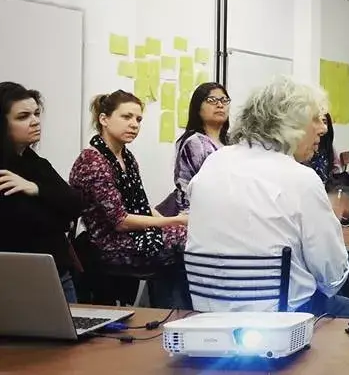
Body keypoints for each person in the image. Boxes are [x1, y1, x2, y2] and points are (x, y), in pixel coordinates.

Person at [185, 76, 349, 320]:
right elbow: (332, 277)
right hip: (284, 319)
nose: (322, 128)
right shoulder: (301, 178)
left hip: (208, 316)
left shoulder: (213, 163)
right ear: (291, 123)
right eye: (316, 119)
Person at [70, 90, 189, 306]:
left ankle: (174, 311)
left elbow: (141, 204)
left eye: (138, 119)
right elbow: (121, 221)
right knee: (183, 239)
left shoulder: (126, 157)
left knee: (189, 235)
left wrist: (168, 221)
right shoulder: (93, 161)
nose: (134, 124)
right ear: (104, 119)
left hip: (129, 235)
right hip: (105, 243)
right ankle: (172, 313)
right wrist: (173, 221)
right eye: (126, 117)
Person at [0, 82, 85, 302]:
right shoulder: (4, 171)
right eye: (23, 116)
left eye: (36, 113)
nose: (35, 121)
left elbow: (76, 204)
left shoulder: (37, 163)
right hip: (18, 278)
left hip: (57, 272)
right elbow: (24, 223)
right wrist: (57, 214)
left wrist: (35, 189)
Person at [157, 82, 230, 215]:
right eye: (212, 100)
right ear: (198, 108)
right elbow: (185, 187)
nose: (220, 105)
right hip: (199, 214)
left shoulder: (233, 142)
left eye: (224, 100)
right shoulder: (194, 143)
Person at [306, 113, 341, 183]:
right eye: (318, 122)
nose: (323, 127)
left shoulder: (328, 144)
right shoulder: (304, 144)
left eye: (325, 122)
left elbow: (335, 166)